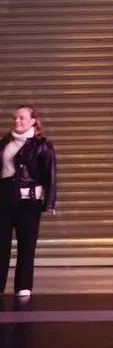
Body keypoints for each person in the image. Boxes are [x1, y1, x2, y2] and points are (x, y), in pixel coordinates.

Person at [1, 105, 55, 299]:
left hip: (28, 201)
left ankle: (23, 286)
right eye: (15, 118)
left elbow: (50, 176)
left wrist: (49, 202)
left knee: (27, 245)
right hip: (4, 197)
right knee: (1, 244)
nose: (17, 121)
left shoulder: (42, 145)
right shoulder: (5, 142)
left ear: (33, 121)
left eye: (22, 118)